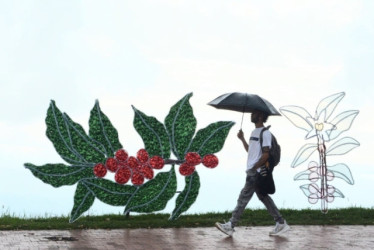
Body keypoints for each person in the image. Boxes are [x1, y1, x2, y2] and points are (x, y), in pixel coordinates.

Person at [215, 110, 290, 237]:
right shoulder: (254, 132)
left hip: (256, 172)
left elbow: (266, 154)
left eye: (254, 113)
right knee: (263, 197)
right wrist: (242, 138)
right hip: (253, 170)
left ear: (260, 116)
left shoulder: (266, 133)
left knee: (243, 197)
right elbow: (250, 151)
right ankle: (281, 222)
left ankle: (231, 225)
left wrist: (255, 168)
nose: (251, 115)